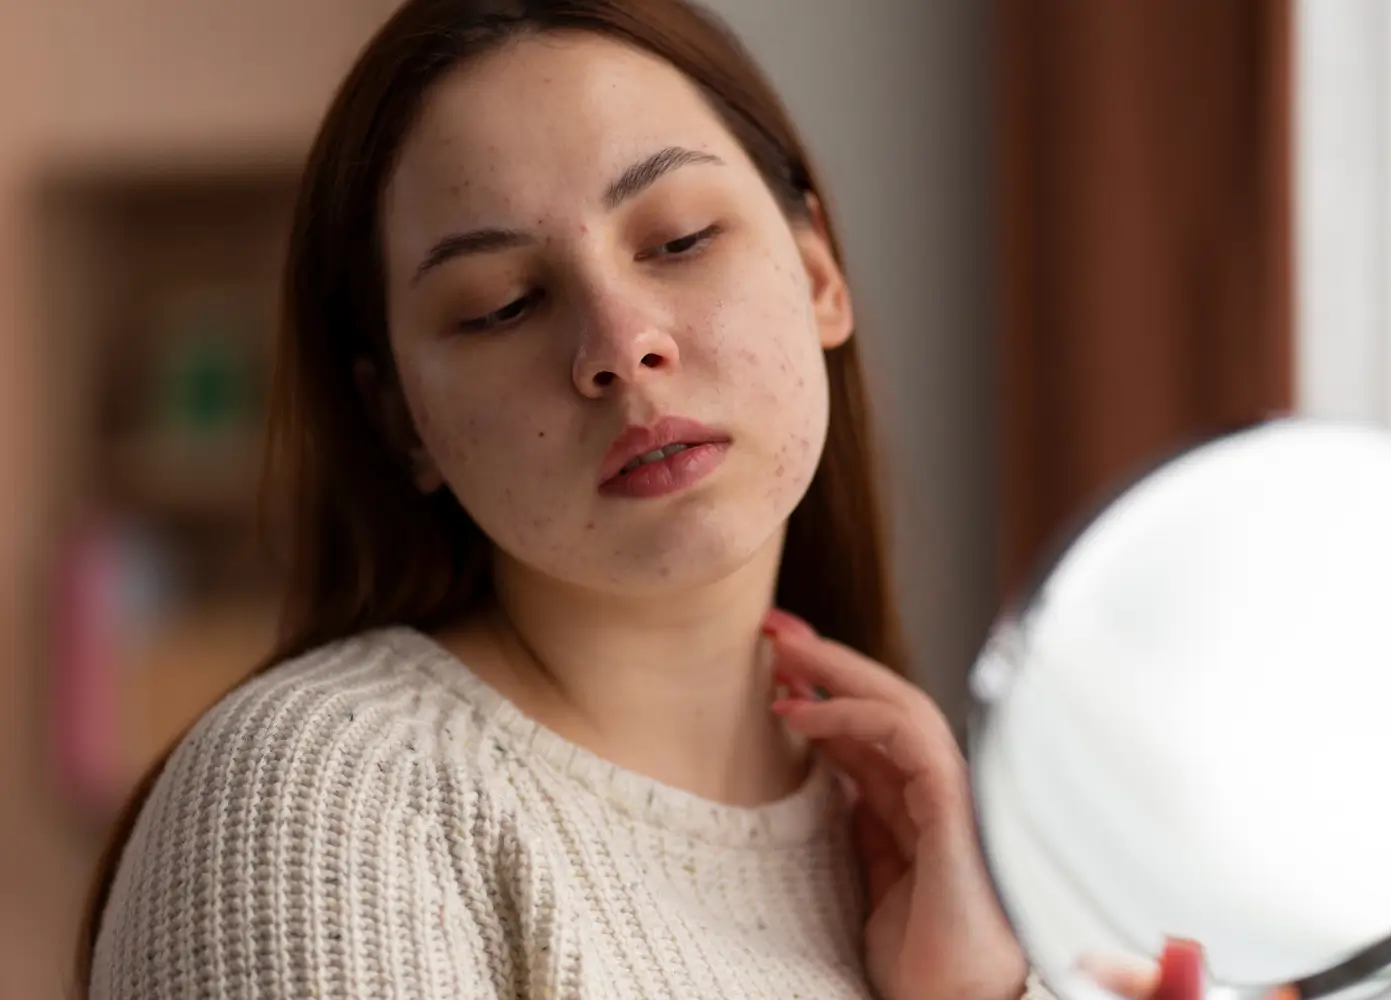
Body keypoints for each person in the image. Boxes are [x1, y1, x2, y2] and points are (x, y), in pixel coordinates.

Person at [77, 2, 1163, 998]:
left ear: (818, 271)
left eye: (681, 240)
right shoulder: (322, 805)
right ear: (404, 419)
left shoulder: (931, 857)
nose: (620, 347)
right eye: (503, 306)